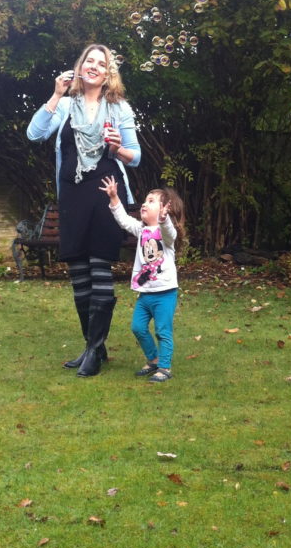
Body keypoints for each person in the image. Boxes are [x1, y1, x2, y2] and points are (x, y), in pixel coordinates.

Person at [26, 44, 141, 377]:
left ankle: (92, 351)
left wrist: (118, 148)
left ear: (108, 73)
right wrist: (54, 95)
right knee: (79, 275)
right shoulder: (63, 105)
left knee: (99, 269)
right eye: (89, 61)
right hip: (73, 196)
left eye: (101, 63)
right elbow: (34, 134)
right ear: (80, 67)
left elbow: (137, 156)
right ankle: (94, 346)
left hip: (105, 193)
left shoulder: (118, 108)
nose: (94, 66)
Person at [100, 176, 185, 382]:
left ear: (166, 209)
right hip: (145, 293)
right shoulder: (142, 230)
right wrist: (114, 198)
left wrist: (164, 220)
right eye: (145, 200)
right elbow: (123, 220)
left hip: (165, 294)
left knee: (163, 331)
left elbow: (169, 231)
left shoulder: (166, 235)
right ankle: (153, 359)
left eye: (151, 201)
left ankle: (164, 368)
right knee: (137, 327)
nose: (144, 204)